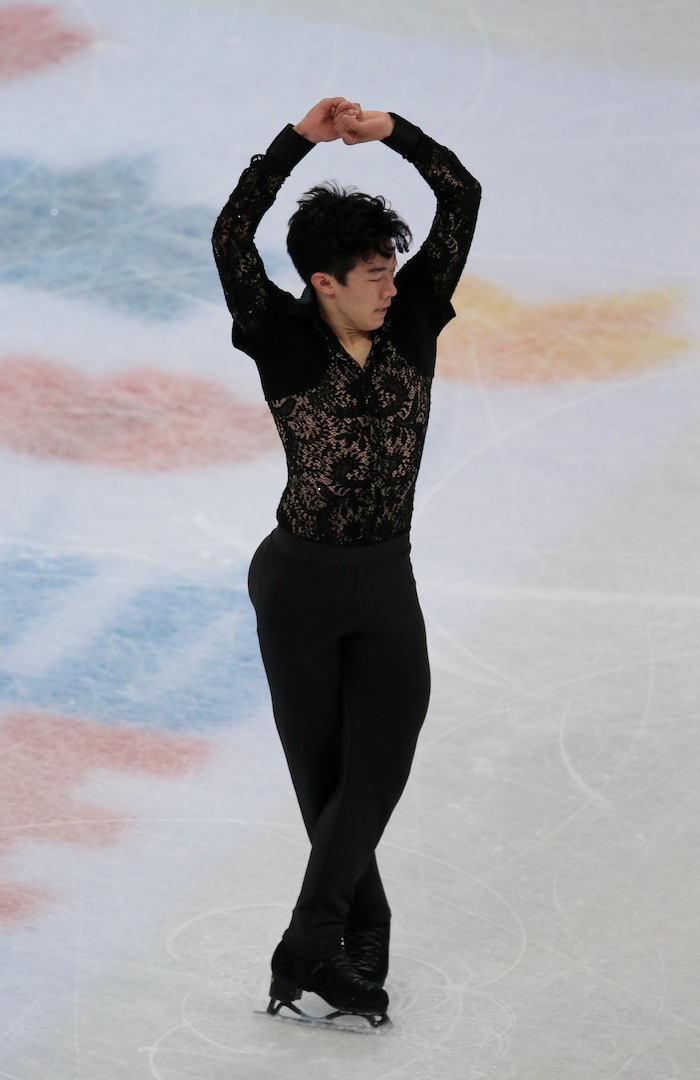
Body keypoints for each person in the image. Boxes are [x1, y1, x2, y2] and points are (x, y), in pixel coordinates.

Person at [212, 97, 481, 1025]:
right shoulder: (280, 337)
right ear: (323, 282)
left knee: (381, 761)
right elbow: (234, 229)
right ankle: (356, 944)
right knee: (324, 780)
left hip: (382, 578)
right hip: (297, 585)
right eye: (371, 273)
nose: (391, 285)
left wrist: (392, 133)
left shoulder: (413, 327)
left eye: (393, 269)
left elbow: (461, 194)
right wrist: (296, 142)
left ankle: (306, 940)